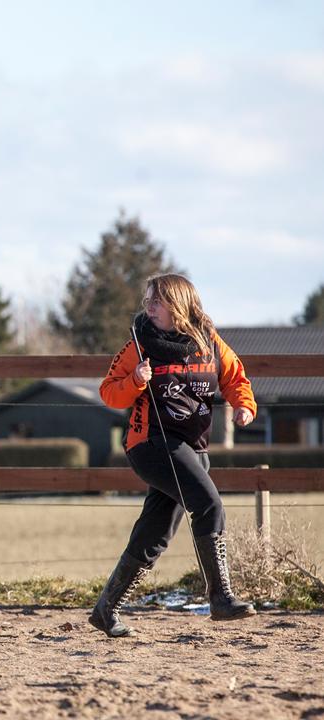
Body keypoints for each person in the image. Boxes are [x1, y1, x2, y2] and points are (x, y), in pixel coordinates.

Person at [91, 273, 258, 637]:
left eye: (157, 301)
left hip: (193, 449)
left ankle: (106, 609)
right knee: (209, 504)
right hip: (151, 445)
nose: (149, 307)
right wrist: (135, 379)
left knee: (156, 531)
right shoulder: (139, 344)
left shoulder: (209, 341)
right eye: (147, 300)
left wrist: (244, 406)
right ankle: (220, 598)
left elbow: (235, 378)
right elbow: (108, 392)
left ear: (179, 305)